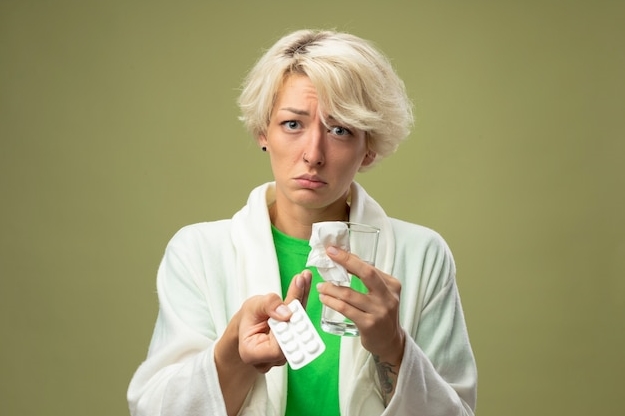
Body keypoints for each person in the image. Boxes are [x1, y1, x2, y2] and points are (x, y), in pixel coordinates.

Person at [127, 29, 477, 416]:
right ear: (263, 131)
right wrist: (234, 353)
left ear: (369, 149)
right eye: (293, 124)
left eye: (340, 130)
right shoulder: (198, 252)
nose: (313, 154)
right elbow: (154, 410)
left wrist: (392, 347)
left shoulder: (422, 254)